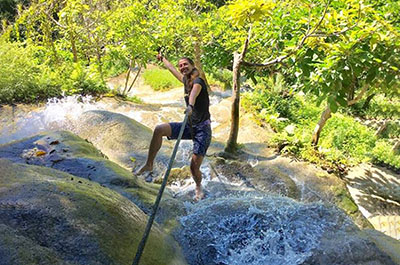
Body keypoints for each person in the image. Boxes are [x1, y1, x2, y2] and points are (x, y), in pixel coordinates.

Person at [136, 53, 212, 201]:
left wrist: (190, 106)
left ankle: (198, 186)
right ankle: (149, 164)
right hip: (190, 126)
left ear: (192, 66)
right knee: (159, 129)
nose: (183, 67)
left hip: (202, 130)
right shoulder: (185, 80)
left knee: (193, 167)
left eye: (185, 64)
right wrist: (162, 58)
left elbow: (194, 94)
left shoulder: (198, 81)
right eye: (181, 65)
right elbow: (171, 68)